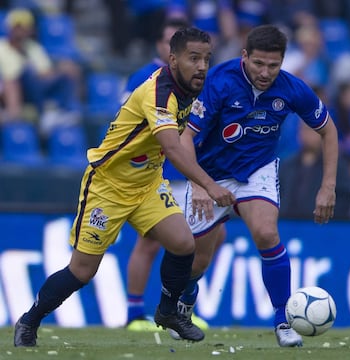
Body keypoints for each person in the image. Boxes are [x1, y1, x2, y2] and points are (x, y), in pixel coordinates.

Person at [13, 26, 236, 347]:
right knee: (82, 270)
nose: (202, 65)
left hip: (147, 183)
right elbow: (173, 148)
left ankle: (167, 312)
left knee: (183, 243)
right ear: (173, 60)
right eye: (193, 58)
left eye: (206, 58)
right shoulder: (158, 93)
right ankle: (30, 319)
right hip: (108, 185)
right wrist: (208, 185)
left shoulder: (192, 87)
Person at [174, 24, 338, 347]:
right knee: (198, 259)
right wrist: (202, 185)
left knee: (266, 233)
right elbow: (186, 138)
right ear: (244, 56)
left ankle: (283, 320)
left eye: (273, 66)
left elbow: (329, 131)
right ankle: (186, 298)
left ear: (283, 62)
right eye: (258, 64)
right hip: (210, 172)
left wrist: (328, 186)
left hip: (257, 168)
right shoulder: (219, 81)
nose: (265, 72)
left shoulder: (292, 88)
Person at [121, 16, 226, 332]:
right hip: (159, 173)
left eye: (202, 57)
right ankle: (134, 313)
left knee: (213, 235)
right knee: (149, 242)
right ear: (166, 49)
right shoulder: (144, 78)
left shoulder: (199, 80)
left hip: (191, 171)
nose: (199, 63)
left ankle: (180, 306)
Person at [0, 8, 82, 134]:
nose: (21, 31)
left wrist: (59, 69)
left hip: (33, 87)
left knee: (68, 69)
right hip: (7, 89)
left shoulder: (34, 48)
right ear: (10, 28)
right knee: (21, 75)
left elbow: (45, 73)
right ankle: (28, 114)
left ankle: (62, 112)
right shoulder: (1, 47)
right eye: (18, 26)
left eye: (24, 27)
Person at [279, 121, 350, 219]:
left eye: (312, 130)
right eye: (304, 130)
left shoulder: (335, 166)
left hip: (323, 226)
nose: (307, 135)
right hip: (288, 224)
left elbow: (345, 198)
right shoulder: (287, 165)